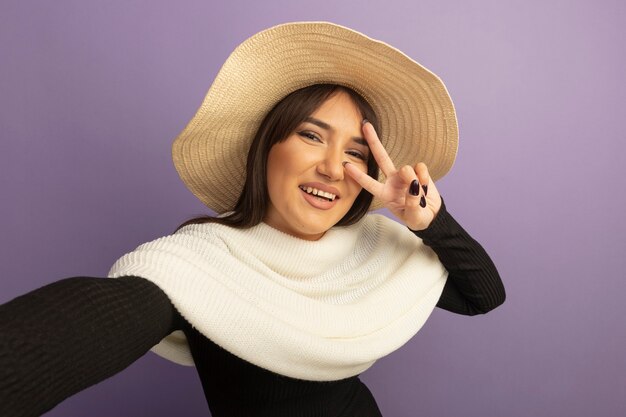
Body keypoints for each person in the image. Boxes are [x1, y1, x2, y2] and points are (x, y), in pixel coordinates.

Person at [0, 22, 505, 417]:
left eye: (356, 153)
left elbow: (484, 295)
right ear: (268, 147)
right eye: (311, 136)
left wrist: (426, 220)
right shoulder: (202, 258)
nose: (333, 168)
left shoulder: (371, 244)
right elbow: (93, 322)